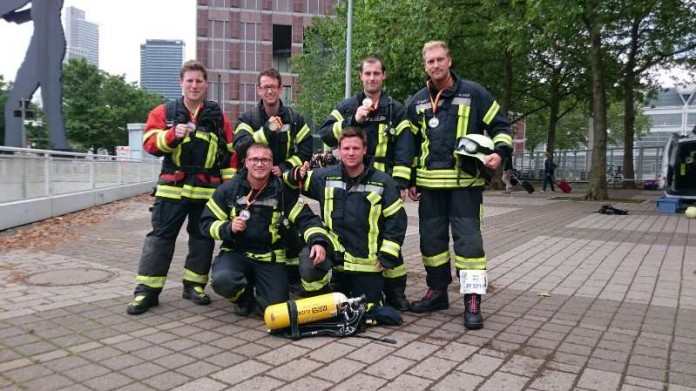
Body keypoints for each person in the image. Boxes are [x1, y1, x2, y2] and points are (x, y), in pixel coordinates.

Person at [406, 41, 513, 330]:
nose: (435, 65)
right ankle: (437, 292)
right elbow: (409, 144)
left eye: (440, 59)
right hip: (429, 188)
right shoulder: (416, 101)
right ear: (425, 65)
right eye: (430, 61)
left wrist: (498, 153)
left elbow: (501, 127)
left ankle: (472, 300)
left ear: (449, 61)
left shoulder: (474, 93)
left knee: (469, 244)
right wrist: (409, 180)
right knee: (431, 243)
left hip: (465, 185)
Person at [126, 60, 237, 315]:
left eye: (199, 81)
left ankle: (194, 286)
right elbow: (149, 144)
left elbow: (230, 155)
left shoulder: (218, 118)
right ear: (181, 83)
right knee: (160, 239)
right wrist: (169, 135)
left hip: (206, 192)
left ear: (206, 84)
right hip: (171, 190)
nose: (194, 85)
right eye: (190, 80)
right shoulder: (164, 112)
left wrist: (228, 190)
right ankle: (147, 291)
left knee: (202, 240)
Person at [317, 55, 413, 311]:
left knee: (389, 236)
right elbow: (326, 133)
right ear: (360, 76)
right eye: (367, 74)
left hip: (385, 183)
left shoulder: (395, 109)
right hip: (354, 181)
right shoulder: (348, 106)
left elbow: (405, 146)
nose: (372, 78)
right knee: (359, 233)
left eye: (376, 73)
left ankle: (396, 292)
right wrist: (352, 121)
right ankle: (350, 278)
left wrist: (401, 182)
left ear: (384, 76)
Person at [200, 143, 330, 315]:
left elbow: (307, 219)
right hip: (236, 253)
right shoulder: (229, 189)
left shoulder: (283, 191)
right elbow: (206, 223)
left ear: (271, 164)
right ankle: (243, 298)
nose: (259, 164)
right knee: (223, 280)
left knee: (274, 309)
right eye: (254, 159)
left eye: (264, 160)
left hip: (270, 257)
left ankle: (261, 288)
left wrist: (318, 242)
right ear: (246, 162)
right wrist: (228, 227)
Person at [288, 127, 408, 306]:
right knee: (309, 259)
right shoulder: (324, 177)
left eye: (356, 148)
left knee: (369, 307)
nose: (350, 153)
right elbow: (285, 184)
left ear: (365, 149)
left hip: (367, 260)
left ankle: (393, 292)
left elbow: (397, 220)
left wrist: (387, 255)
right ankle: (320, 299)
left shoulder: (384, 182)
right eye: (346, 148)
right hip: (337, 254)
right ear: (339, 149)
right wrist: (294, 174)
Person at [233, 68, 314, 296]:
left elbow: (307, 149)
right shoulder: (249, 118)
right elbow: (240, 146)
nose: (269, 91)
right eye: (265, 87)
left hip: (283, 183)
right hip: (255, 183)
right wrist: (266, 131)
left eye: (273, 87)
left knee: (288, 227)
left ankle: (291, 277)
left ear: (281, 89)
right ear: (259, 90)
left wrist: (287, 166)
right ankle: (254, 274)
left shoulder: (294, 119)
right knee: (257, 224)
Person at [1, 0, 68, 149]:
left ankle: (12, 150)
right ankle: (60, 147)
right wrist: (13, 17)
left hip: (45, 41)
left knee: (17, 103)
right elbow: (34, 12)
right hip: (50, 39)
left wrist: (8, 13)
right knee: (50, 100)